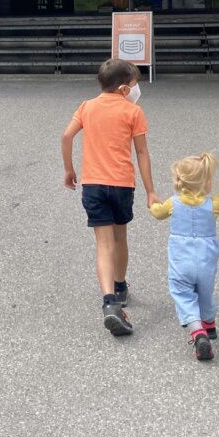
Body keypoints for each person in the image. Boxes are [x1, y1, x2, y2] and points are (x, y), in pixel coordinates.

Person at [61, 58, 159, 336]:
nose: (136, 89)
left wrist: (69, 169)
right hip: (121, 185)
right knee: (120, 238)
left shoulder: (87, 107)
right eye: (134, 84)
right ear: (124, 90)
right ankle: (120, 285)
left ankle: (109, 302)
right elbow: (141, 152)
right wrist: (150, 190)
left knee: (103, 245)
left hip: (92, 184)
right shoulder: (133, 112)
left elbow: (66, 136)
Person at [149, 152, 219, 362]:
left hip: (181, 262)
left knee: (183, 294)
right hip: (206, 261)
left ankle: (198, 332)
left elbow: (158, 213)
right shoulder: (211, 206)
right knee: (205, 292)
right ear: (206, 182)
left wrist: (152, 203)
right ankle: (209, 324)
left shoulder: (173, 203)